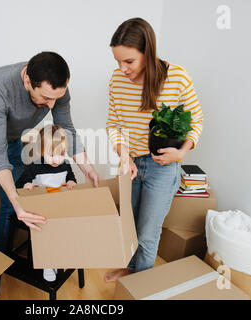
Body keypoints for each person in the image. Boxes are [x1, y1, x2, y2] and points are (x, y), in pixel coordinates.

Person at [0, 51, 100, 253]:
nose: (52, 105)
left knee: (14, 202)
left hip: (13, 138)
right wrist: (17, 201)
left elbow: (67, 130)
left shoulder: (56, 90)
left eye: (57, 98)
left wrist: (88, 170)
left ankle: (3, 257)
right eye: (46, 98)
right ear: (27, 81)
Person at [104, 18, 203, 282]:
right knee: (130, 226)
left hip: (163, 167)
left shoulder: (177, 77)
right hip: (131, 164)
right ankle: (131, 270)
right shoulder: (116, 80)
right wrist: (124, 156)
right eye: (118, 61)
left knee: (147, 232)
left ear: (147, 53)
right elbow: (113, 124)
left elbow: (197, 121)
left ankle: (140, 285)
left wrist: (181, 153)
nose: (122, 68)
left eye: (129, 62)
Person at [19, 124, 77, 281]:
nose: (57, 159)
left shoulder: (64, 164)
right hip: (41, 209)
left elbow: (71, 177)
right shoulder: (34, 165)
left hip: (60, 206)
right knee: (45, 229)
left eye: (61, 153)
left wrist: (71, 182)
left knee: (68, 226)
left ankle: (60, 257)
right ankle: (48, 263)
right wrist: (27, 185)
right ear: (41, 151)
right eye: (52, 154)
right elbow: (21, 183)